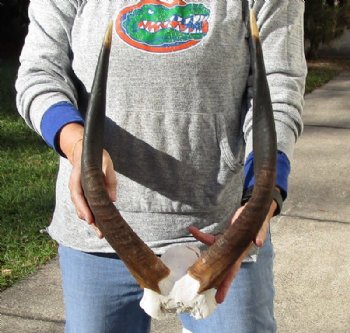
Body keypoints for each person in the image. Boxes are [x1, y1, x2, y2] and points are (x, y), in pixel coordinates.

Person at [16, 0, 307, 332]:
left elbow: (278, 89)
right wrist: (76, 144)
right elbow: (40, 74)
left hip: (222, 239)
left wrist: (261, 198)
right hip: (102, 236)